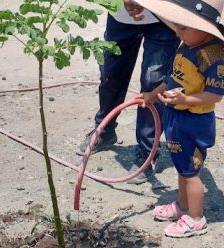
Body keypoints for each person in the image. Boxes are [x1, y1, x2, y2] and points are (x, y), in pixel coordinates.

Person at [134, 0, 224, 237]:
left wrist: (186, 100)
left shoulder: (212, 57)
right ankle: (182, 206)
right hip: (177, 116)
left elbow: (215, 94)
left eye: (183, 28)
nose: (178, 32)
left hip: (193, 122)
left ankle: (196, 219)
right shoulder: (186, 44)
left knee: (191, 172)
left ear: (204, 26)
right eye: (177, 27)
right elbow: (173, 78)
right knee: (182, 167)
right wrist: (152, 94)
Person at [76, 0, 180, 185]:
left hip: (165, 18)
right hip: (120, 16)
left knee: (153, 82)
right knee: (111, 75)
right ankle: (105, 131)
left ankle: (148, 152)